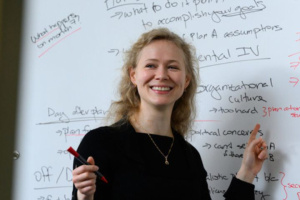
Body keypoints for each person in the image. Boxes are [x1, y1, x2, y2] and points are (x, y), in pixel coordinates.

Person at [71, 27, 268, 200]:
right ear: (133, 76)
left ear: (186, 81)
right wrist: (85, 197)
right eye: (150, 65)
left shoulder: (190, 157)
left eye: (172, 67)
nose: (162, 75)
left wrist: (247, 172)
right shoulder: (100, 143)